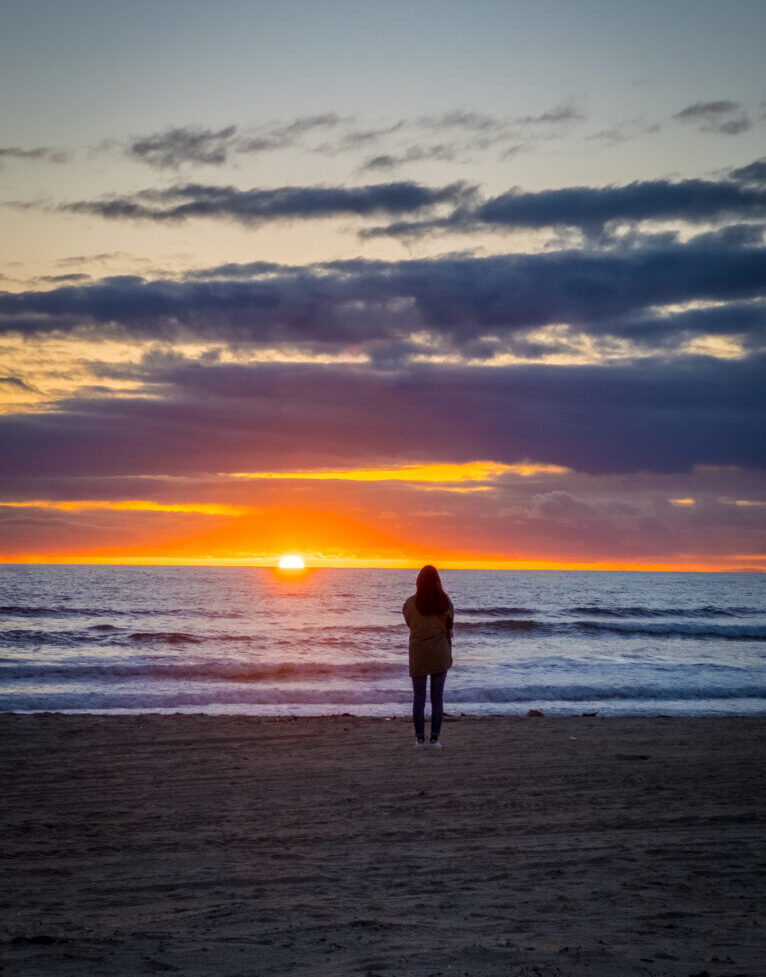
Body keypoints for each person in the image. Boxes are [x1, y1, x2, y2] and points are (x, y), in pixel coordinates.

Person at [402, 565, 454, 749]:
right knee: (437, 698)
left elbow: (409, 623)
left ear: (418, 582)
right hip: (439, 652)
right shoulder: (445, 602)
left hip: (418, 654)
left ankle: (419, 740)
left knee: (419, 698)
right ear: (438, 581)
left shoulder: (410, 604)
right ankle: (434, 739)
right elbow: (449, 624)